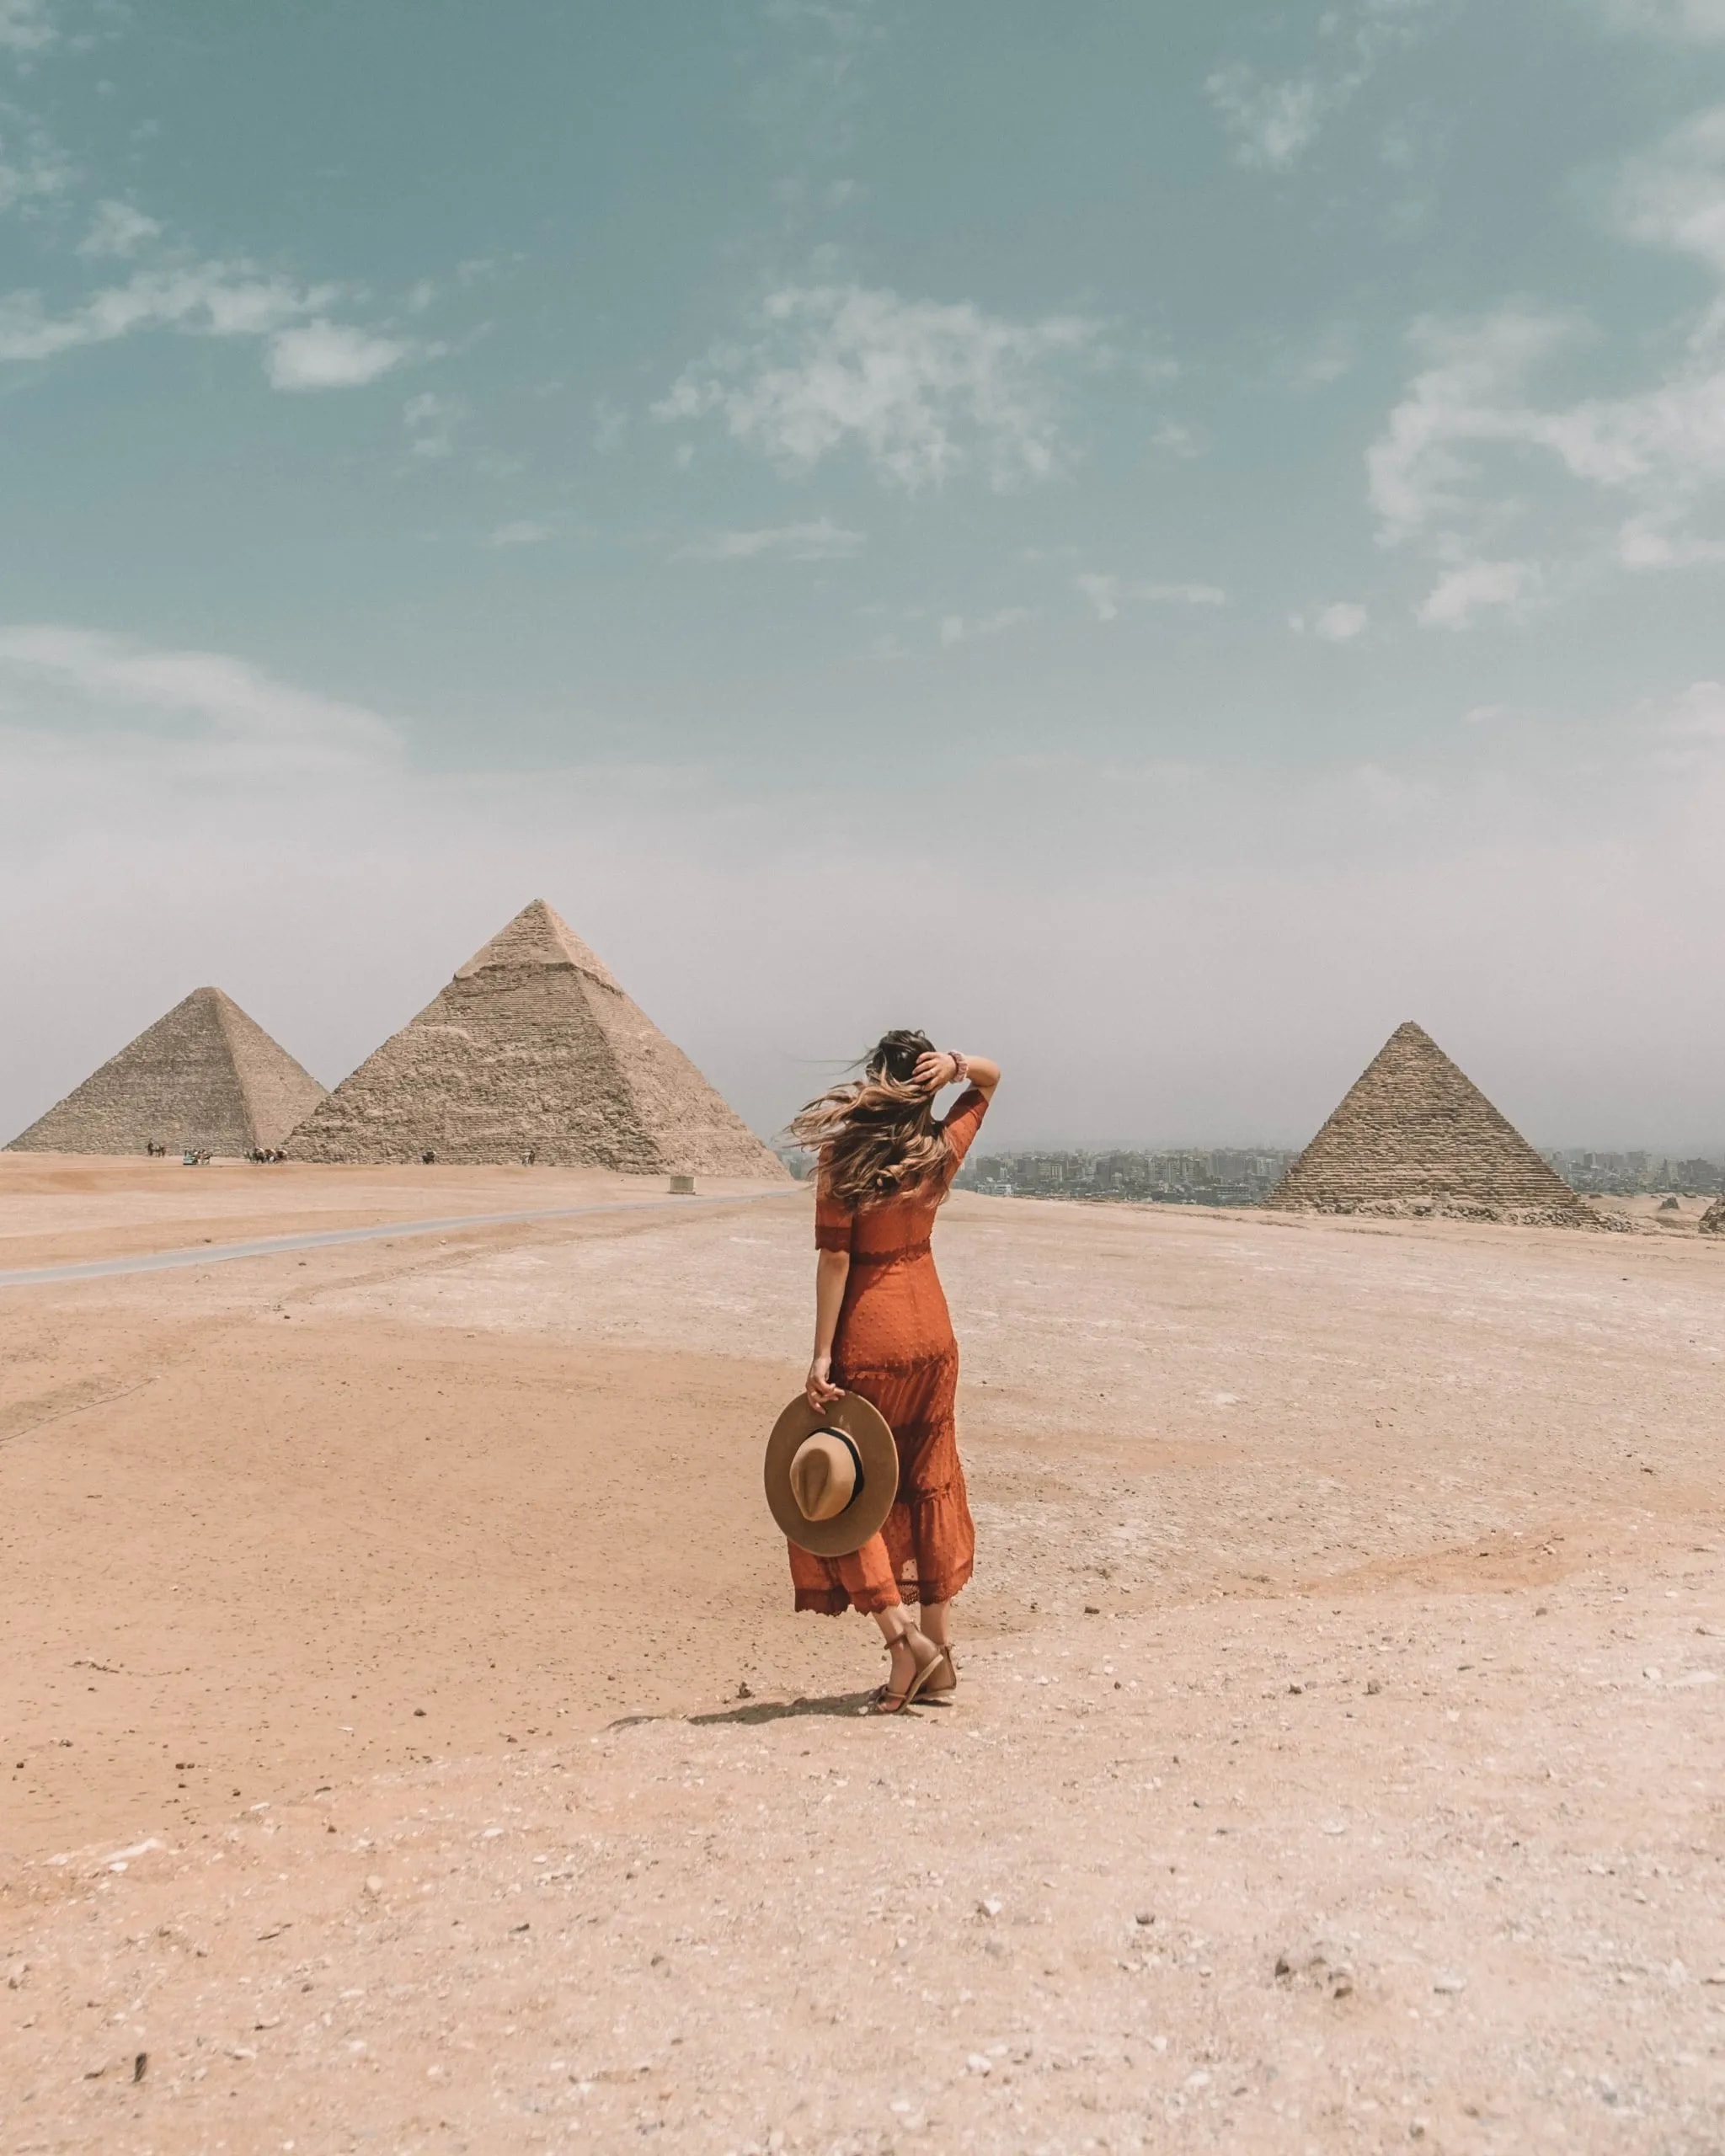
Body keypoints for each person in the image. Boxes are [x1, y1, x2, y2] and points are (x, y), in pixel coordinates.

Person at [785, 1030, 1001, 1713]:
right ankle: (940, 1653)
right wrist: (962, 1066)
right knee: (931, 1479)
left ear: (875, 1075)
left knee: (852, 1496)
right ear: (927, 1082)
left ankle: (902, 1640)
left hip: (871, 1336)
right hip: (933, 1335)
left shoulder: (841, 1154)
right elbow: (992, 1082)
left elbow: (836, 1262)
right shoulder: (937, 1150)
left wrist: (822, 1354)